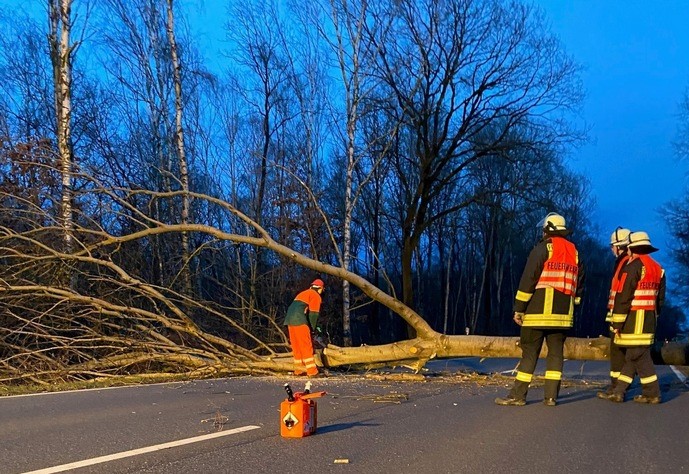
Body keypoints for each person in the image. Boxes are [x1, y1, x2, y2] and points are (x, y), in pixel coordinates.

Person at [495, 212, 584, 407]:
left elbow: (529, 279)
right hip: (562, 317)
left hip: (537, 314)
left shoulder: (543, 249)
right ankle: (551, 397)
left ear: (548, 230)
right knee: (555, 355)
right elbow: (579, 285)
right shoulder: (575, 253)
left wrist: (519, 308)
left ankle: (518, 396)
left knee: (529, 353)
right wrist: (573, 306)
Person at [599, 231, 665, 404]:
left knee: (637, 355)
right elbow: (660, 300)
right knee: (634, 356)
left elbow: (623, 296)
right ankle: (621, 392)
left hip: (633, 319)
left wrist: (617, 322)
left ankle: (651, 393)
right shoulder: (658, 268)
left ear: (632, 249)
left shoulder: (633, 266)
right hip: (649, 319)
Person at [597, 227, 631, 399]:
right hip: (619, 315)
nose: (611, 249)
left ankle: (618, 388)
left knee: (619, 353)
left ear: (620, 246)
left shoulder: (624, 263)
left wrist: (617, 320)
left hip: (621, 317)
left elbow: (621, 293)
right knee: (621, 353)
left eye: (613, 246)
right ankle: (617, 387)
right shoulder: (624, 262)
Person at [284, 279, 326, 377]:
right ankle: (312, 371)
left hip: (289, 321)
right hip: (300, 320)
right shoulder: (315, 295)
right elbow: (313, 315)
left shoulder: (303, 293)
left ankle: (299, 370)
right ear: (320, 288)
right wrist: (313, 328)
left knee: (297, 347)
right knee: (306, 345)